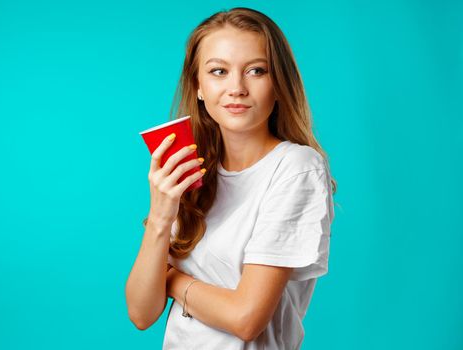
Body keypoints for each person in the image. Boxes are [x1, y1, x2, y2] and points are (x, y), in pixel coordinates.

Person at [125, 7, 337, 350]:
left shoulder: (296, 168)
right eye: (219, 71)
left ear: (279, 84)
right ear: (199, 87)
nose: (236, 88)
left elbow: (246, 319)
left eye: (256, 70)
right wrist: (162, 215)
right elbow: (141, 312)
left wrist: (174, 280)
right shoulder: (191, 169)